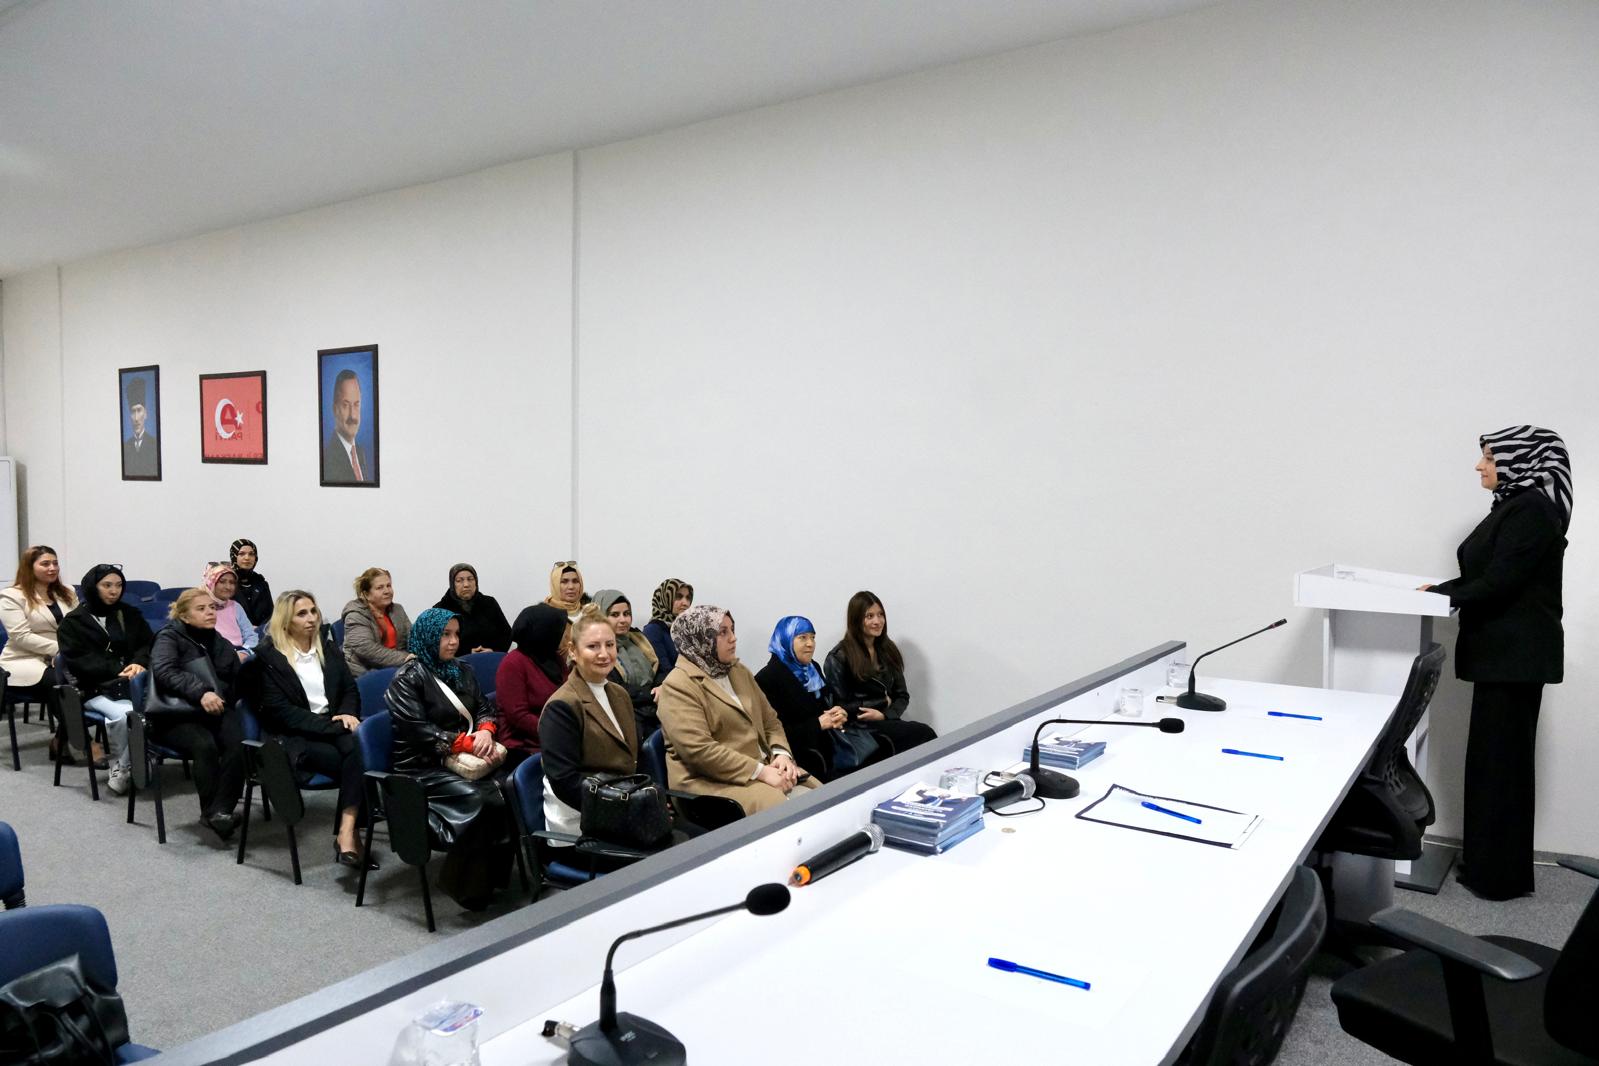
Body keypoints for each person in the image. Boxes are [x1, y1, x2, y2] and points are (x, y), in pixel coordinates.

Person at [1421, 426, 1571, 901]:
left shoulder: (1532, 510)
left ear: (1521, 461)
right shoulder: (1516, 506)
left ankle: (1498, 878)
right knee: (1494, 765)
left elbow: (1501, 581)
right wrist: (1442, 591)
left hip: (1514, 659)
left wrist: (1443, 594)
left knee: (1501, 768)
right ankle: (1489, 867)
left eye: (1490, 457)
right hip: (1506, 658)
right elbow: (1492, 574)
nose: (1480, 465)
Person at [384, 608, 511, 909]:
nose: (453, 641)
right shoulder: (406, 679)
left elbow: (483, 707)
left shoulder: (461, 669)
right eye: (445, 635)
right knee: (478, 798)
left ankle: (493, 878)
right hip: (420, 767)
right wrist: (466, 742)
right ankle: (463, 885)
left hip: (461, 757)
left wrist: (486, 731)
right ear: (428, 637)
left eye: (456, 634)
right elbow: (418, 731)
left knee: (509, 789)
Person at [657, 605, 819, 815]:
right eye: (723, 632)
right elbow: (700, 751)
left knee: (824, 798)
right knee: (790, 813)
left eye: (732, 630)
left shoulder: (738, 671)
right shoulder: (677, 686)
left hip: (764, 768)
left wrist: (781, 754)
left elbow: (770, 720)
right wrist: (760, 772)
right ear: (700, 639)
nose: (733, 638)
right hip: (710, 782)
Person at [255, 590, 372, 868]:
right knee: (360, 761)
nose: (311, 618)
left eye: (313, 611)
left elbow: (349, 689)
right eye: (302, 614)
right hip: (295, 737)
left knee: (362, 755)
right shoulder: (268, 658)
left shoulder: (327, 647)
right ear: (286, 621)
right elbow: (281, 713)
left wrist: (347, 714)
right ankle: (350, 835)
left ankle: (346, 831)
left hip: (333, 726)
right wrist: (334, 726)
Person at [538, 608, 657, 860]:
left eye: (610, 645)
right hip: (583, 825)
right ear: (573, 651)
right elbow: (565, 781)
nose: (604, 654)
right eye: (593, 646)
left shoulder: (619, 693)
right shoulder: (561, 706)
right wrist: (625, 809)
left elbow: (635, 756)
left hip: (625, 804)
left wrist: (649, 798)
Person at [148, 587, 247, 840]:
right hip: (176, 714)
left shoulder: (218, 640)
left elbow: (232, 677)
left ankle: (220, 810)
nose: (210, 612)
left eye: (212, 608)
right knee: (205, 745)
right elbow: (165, 671)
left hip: (213, 710)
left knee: (239, 743)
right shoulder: (169, 637)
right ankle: (212, 812)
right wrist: (201, 692)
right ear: (184, 615)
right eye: (201, 609)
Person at [57, 563, 154, 796]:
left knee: (154, 712)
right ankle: (128, 764)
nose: (114, 591)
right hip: (95, 688)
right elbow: (79, 661)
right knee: (127, 715)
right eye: (107, 585)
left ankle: (124, 764)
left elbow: (147, 644)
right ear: (93, 587)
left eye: (119, 585)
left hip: (133, 683)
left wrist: (139, 663)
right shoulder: (73, 622)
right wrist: (119, 669)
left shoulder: (129, 614)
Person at [755, 615, 883, 782]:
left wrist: (839, 713)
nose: (810, 643)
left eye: (813, 637)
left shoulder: (812, 667)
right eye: (803, 638)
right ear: (785, 640)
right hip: (808, 754)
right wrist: (818, 724)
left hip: (835, 742)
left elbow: (828, 703)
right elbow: (774, 733)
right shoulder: (767, 679)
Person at [823, 591, 938, 756]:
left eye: (880, 615)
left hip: (885, 720)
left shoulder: (887, 648)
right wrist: (882, 701)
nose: (877, 621)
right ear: (856, 620)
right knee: (923, 733)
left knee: (924, 734)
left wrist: (885, 715)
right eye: (869, 616)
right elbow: (838, 706)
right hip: (858, 728)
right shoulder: (838, 657)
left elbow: (902, 696)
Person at [0, 546, 79, 763]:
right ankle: (83, 740)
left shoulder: (67, 591)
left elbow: (78, 626)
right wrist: (60, 651)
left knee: (89, 680)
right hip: (23, 659)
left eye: (55, 563)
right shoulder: (11, 596)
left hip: (63, 656)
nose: (52, 568)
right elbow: (21, 636)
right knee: (60, 683)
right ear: (29, 567)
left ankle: (61, 739)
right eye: (45, 564)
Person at [495, 603, 568, 770]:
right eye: (560, 632)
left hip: (556, 733)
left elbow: (569, 696)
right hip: (523, 744)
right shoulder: (513, 663)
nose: (565, 638)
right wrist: (556, 731)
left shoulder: (555, 659)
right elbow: (518, 716)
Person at [593, 589, 664, 742]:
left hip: (653, 706)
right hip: (625, 714)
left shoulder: (638, 639)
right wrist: (652, 694)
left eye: (626, 614)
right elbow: (615, 689)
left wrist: (661, 687)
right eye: (614, 615)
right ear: (600, 617)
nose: (623, 620)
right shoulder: (597, 651)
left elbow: (659, 670)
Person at [341, 567, 413, 678]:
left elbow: (412, 637)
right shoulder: (355, 615)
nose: (387, 591)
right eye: (380, 588)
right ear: (366, 594)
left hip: (397, 668)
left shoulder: (397, 610)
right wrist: (405, 658)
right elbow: (367, 649)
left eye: (389, 586)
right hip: (366, 673)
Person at [434, 563, 511, 654]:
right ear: (452, 584)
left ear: (476, 582)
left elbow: (507, 633)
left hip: (491, 658)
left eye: (470, 579)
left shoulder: (489, 603)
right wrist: (467, 653)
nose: (466, 584)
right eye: (459, 580)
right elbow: (437, 643)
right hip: (457, 661)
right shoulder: (441, 610)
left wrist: (493, 650)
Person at [321, 369, 371, 484]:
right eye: (345, 405)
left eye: (356, 404)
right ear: (335, 409)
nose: (352, 415)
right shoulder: (328, 459)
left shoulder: (360, 453)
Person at [202, 563, 258, 662]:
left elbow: (251, 635)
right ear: (211, 582)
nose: (228, 587)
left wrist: (245, 652)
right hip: (214, 657)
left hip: (241, 653)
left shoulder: (235, 606)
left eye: (232, 582)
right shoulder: (200, 607)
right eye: (222, 582)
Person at [641, 579, 692, 674]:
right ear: (665, 599)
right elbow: (664, 670)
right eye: (678, 597)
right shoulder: (653, 630)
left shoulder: (687, 630)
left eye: (688, 598)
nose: (685, 603)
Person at [229, 538, 273, 627]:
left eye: (251, 554)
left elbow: (270, 615)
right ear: (234, 556)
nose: (247, 558)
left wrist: (260, 630)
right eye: (241, 554)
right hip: (234, 633)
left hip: (262, 633)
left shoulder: (261, 583)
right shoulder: (227, 582)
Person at [121, 376, 159, 478]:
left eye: (139, 410)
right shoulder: (125, 447)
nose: (136, 418)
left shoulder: (154, 444)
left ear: (145, 414)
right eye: (133, 412)